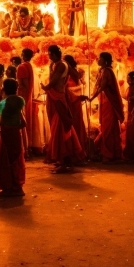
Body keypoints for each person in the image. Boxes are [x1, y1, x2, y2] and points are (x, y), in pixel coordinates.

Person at [43, 45, 84, 173]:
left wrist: (46, 87)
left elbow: (54, 81)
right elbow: (76, 74)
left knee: (61, 129)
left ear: (54, 54)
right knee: (60, 128)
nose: (49, 57)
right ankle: (63, 161)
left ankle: (66, 161)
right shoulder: (61, 64)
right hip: (58, 97)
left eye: (50, 54)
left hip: (58, 98)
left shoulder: (60, 65)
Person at [0, 78, 26, 197]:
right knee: (16, 159)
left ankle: (7, 187)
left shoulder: (2, 104)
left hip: (6, 132)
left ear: (4, 89)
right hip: (16, 133)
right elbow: (23, 121)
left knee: (5, 159)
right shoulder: (20, 101)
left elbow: (1, 121)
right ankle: (17, 186)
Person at [90, 52, 123, 163]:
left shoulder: (107, 71)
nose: (97, 60)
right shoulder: (101, 71)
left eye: (99, 58)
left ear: (104, 60)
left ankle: (108, 154)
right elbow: (98, 87)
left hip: (109, 102)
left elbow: (102, 87)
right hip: (104, 102)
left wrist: (91, 98)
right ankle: (111, 152)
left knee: (108, 128)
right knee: (106, 126)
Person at [16, 50, 40, 155]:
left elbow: (24, 84)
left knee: (21, 121)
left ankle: (24, 147)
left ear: (23, 55)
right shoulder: (29, 66)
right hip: (27, 96)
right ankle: (27, 147)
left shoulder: (22, 67)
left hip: (22, 95)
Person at [64, 54, 88, 154]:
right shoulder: (73, 73)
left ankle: (76, 149)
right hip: (74, 101)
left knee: (74, 124)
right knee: (76, 124)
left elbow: (75, 88)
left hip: (73, 102)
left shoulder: (70, 74)